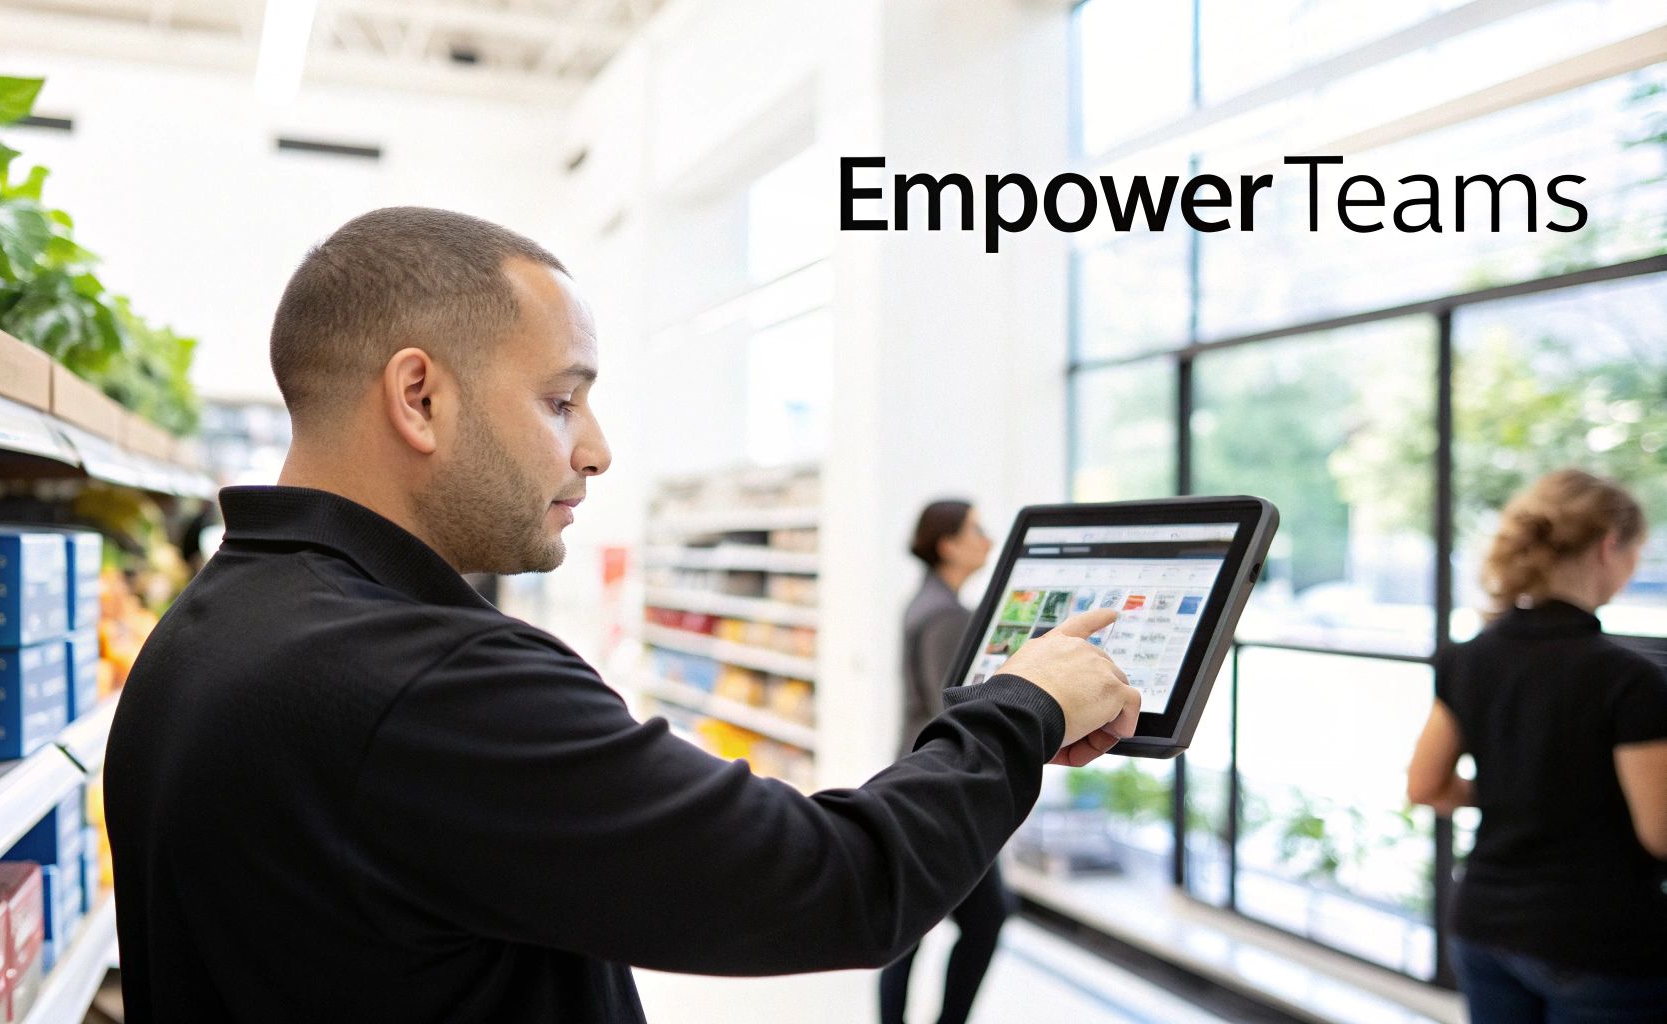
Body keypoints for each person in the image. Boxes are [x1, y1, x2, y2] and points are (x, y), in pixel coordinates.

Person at [103, 207, 1144, 1023]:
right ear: (417, 397)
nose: (594, 448)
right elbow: (840, 883)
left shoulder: (209, 625)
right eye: (561, 400)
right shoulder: (431, 684)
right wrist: (1019, 708)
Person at [1407, 469, 1667, 1023]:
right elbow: (1660, 833)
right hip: (1597, 941)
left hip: (1484, 927)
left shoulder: (1469, 656)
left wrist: (1516, 785)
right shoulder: (1629, 679)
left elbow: (1426, 786)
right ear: (1607, 548)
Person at [880, 500, 1007, 1024]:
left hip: (919, 784)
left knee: (912, 927)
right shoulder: (947, 614)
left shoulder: (929, 601)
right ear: (948, 544)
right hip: (943, 795)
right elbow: (950, 708)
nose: (989, 539)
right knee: (984, 919)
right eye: (977, 529)